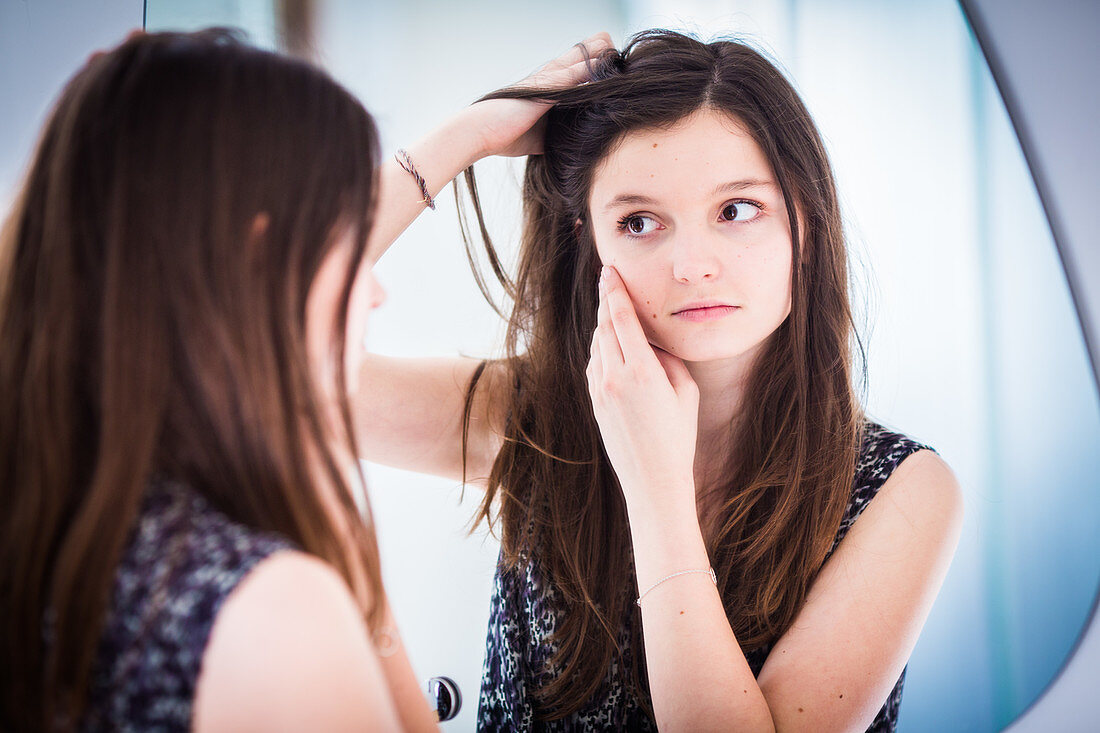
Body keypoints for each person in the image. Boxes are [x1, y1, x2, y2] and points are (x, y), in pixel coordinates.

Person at [357, 28, 965, 732]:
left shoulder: (904, 491)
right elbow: (260, 361)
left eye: (736, 210)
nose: (692, 263)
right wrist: (467, 136)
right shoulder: (531, 415)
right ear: (590, 243)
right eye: (641, 221)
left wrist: (656, 494)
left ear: (806, 221)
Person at [0, 29, 440, 731]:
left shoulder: (44, 517)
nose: (378, 289)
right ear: (257, 267)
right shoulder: (272, 616)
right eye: (354, 240)